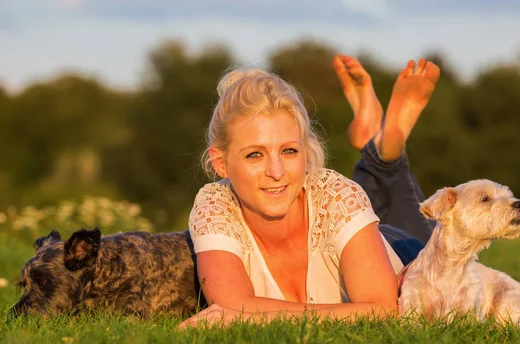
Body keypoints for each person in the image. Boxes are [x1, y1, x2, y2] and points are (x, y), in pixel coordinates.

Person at [178, 56, 440, 329]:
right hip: (360, 237)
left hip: (401, 250)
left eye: (289, 151)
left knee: (434, 247)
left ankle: (384, 154)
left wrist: (254, 316)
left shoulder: (335, 195)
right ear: (221, 163)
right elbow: (231, 306)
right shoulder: (214, 207)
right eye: (255, 155)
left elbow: (383, 311)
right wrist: (350, 312)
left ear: (306, 151)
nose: (276, 171)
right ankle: (376, 141)